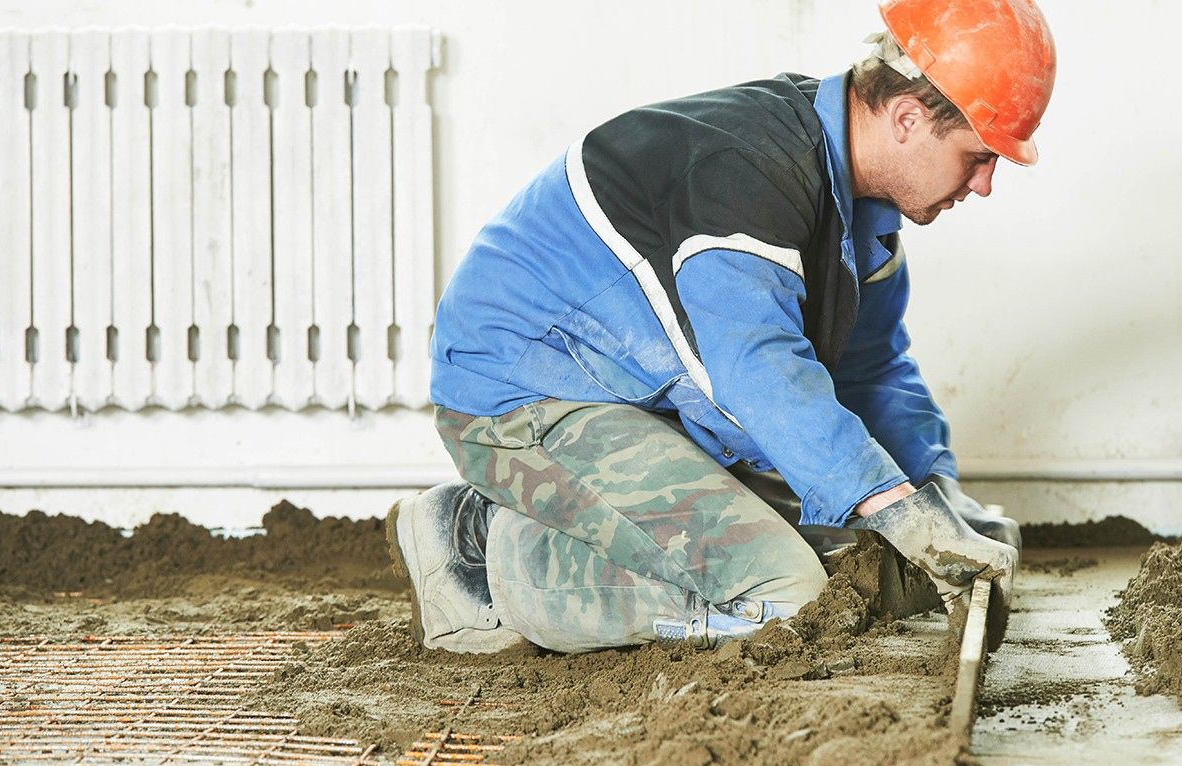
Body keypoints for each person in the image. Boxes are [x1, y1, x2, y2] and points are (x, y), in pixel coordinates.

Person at [386, 0, 1057, 654]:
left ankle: (537, 524)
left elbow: (873, 369)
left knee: (868, 553)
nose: (986, 184)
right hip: (524, 397)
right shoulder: (750, 170)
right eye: (977, 156)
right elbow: (755, 372)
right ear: (908, 118)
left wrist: (935, 495)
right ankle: (481, 555)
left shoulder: (863, 215)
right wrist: (897, 510)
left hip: (637, 396)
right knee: (785, 593)